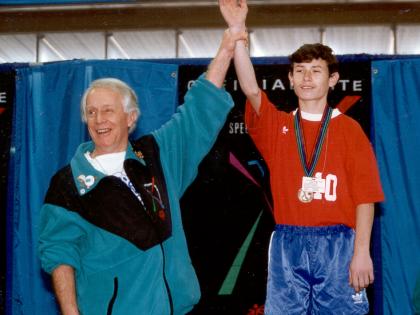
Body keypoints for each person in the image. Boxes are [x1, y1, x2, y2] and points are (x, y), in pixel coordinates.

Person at [38, 27, 246, 315]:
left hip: (178, 308)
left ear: (131, 118)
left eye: (108, 110)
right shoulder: (67, 182)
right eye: (91, 112)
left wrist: (226, 46)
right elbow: (59, 254)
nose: (99, 119)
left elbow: (199, 109)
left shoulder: (155, 155)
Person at [219, 0, 384, 314]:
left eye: (316, 71)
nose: (307, 78)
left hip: (339, 244)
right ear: (290, 79)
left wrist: (361, 251)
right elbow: (251, 89)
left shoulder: (350, 130)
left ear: (332, 80)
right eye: (300, 71)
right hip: (288, 243)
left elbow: (366, 198)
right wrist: (238, 31)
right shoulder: (278, 126)